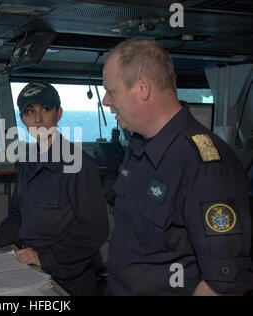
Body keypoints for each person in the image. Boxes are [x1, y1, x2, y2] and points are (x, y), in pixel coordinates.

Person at [102, 39, 253, 296]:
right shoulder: (138, 147)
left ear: (142, 88)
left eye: (111, 91)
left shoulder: (205, 166)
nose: (106, 101)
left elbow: (222, 284)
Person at [0, 81, 109, 296]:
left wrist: (44, 258)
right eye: (30, 112)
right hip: (30, 267)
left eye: (46, 109)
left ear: (58, 114)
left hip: (68, 278)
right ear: (23, 119)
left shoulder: (78, 164)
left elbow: (94, 231)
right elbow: (17, 218)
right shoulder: (27, 163)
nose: (38, 119)